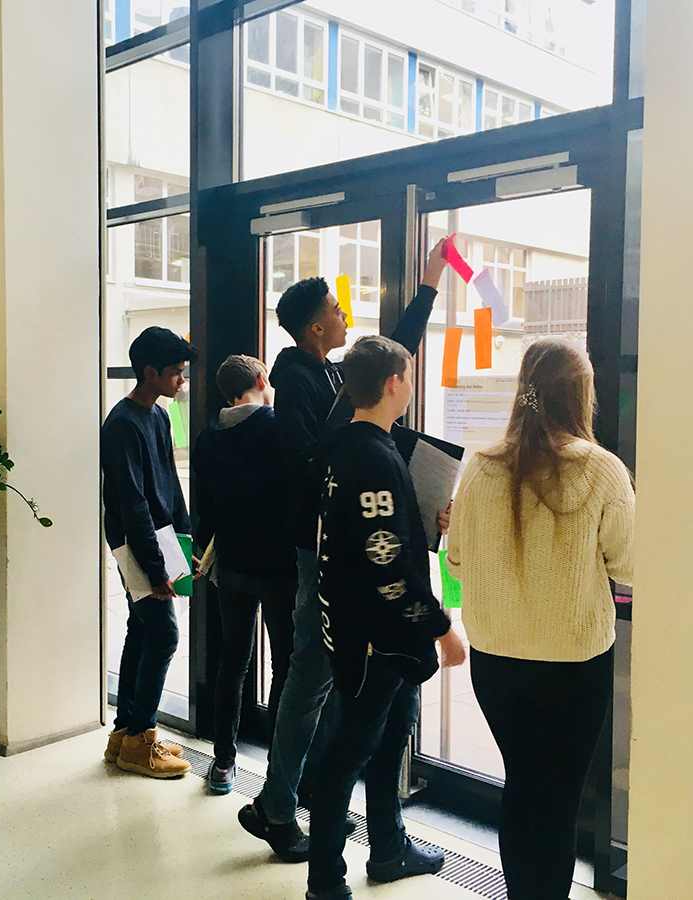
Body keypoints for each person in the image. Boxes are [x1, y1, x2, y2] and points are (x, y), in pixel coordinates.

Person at [240, 239, 450, 860]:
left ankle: (309, 796)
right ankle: (280, 805)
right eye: (335, 309)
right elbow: (309, 465)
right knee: (310, 674)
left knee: (332, 680)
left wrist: (429, 284)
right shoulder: (297, 380)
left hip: (342, 544)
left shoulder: (331, 373)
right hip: (322, 551)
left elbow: (390, 357)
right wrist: (365, 451)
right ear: (314, 327)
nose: (343, 315)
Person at [445, 338, 634, 900]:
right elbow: (630, 565)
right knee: (558, 801)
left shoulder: (481, 467)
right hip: (572, 663)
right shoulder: (601, 469)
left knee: (523, 787)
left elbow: (457, 560)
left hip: (495, 660)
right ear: (580, 394)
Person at [306, 335, 466, 900]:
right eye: (410, 376)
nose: (413, 386)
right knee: (347, 753)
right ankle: (325, 880)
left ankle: (389, 848)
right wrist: (441, 627)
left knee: (392, 736)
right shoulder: (374, 457)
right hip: (377, 637)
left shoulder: (342, 443)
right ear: (394, 383)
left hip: (357, 626)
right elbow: (388, 564)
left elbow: (369, 535)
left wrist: (425, 520)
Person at [191, 355, 297, 795]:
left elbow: (204, 506)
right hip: (278, 566)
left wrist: (206, 553)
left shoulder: (207, 436)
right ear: (261, 378)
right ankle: (278, 770)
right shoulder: (276, 427)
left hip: (231, 565)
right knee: (284, 665)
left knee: (232, 661)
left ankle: (222, 762)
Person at [101, 326, 197, 779]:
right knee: (163, 636)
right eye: (176, 372)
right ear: (150, 372)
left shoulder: (158, 416)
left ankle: (125, 734)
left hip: (160, 539)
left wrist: (185, 539)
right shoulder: (122, 424)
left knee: (141, 631)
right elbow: (132, 503)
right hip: (134, 544)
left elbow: (170, 484)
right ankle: (140, 741)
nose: (182, 380)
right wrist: (157, 570)